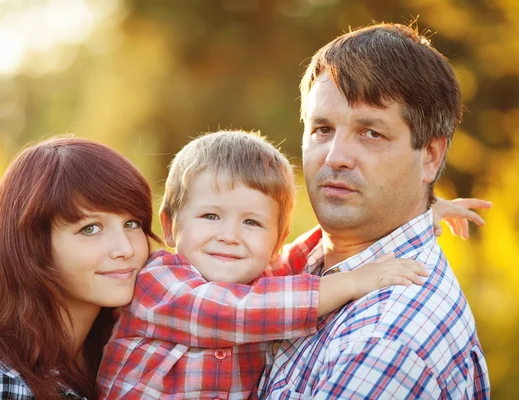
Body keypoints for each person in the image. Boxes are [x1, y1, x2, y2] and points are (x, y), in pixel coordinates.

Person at [97, 130, 483, 399]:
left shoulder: (261, 276)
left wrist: (419, 214)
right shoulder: (159, 283)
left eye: (252, 222)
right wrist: (351, 282)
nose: (229, 235)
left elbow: (300, 256)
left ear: (275, 239)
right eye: (210, 217)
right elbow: (239, 313)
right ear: (169, 224)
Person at [257, 23, 491, 398]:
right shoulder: (299, 261)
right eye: (322, 129)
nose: (335, 158)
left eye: (371, 133)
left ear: (430, 155)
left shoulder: (386, 340)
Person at [0, 137, 161, 399]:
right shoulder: (1, 381)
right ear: (33, 247)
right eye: (90, 228)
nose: (126, 249)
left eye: (132, 224)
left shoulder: (121, 351)